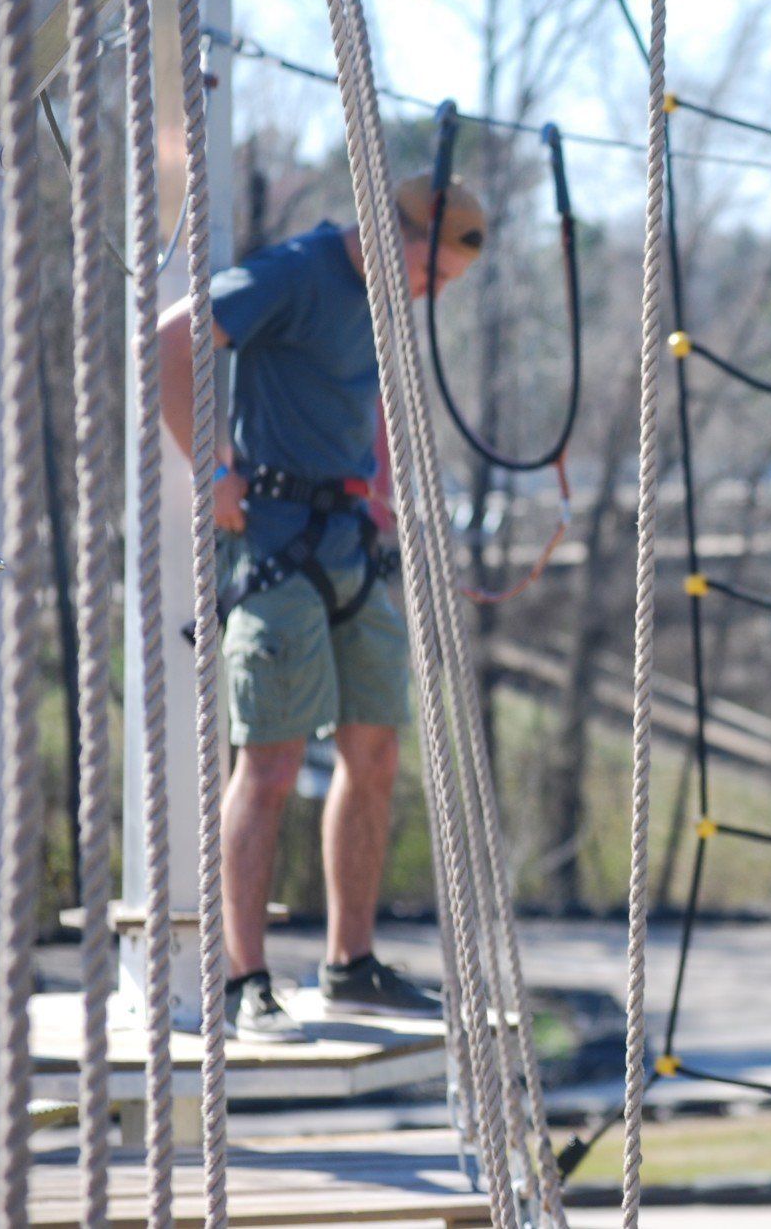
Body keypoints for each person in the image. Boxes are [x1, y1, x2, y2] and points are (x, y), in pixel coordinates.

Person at [156, 174, 486, 1042]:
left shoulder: (380, 296)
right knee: (267, 764)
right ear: (394, 232)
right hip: (274, 544)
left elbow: (363, 396)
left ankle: (350, 964)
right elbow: (173, 339)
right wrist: (214, 470)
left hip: (350, 542)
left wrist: (381, 492)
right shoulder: (297, 273)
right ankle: (243, 978)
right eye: (434, 273)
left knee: (373, 752)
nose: (434, 292)